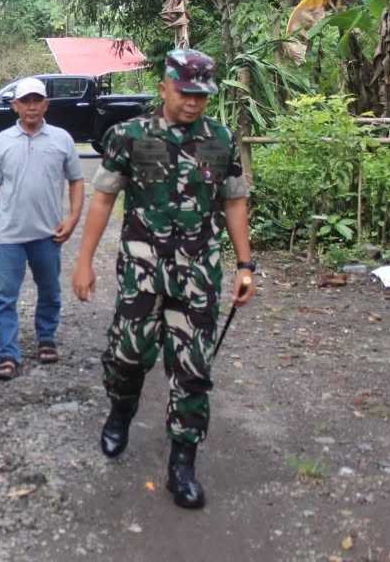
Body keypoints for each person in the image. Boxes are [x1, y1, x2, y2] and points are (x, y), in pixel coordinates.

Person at [72, 49, 256, 510]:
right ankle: (121, 410)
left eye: (201, 95)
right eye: (185, 92)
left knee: (193, 370)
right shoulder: (130, 136)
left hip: (198, 275)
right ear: (164, 88)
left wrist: (245, 265)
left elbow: (234, 201)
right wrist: (84, 260)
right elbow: (103, 199)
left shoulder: (219, 139)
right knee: (127, 355)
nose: (193, 102)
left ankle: (182, 463)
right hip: (142, 271)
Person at [0, 77, 84, 380]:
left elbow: (76, 181)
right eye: (26, 101)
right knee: (5, 296)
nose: (32, 107)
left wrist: (73, 218)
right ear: (15, 106)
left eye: (37, 101)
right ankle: (8, 353)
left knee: (49, 290)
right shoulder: (2, 141)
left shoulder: (62, 139)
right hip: (9, 235)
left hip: (48, 233)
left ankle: (46, 338)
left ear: (46, 104)